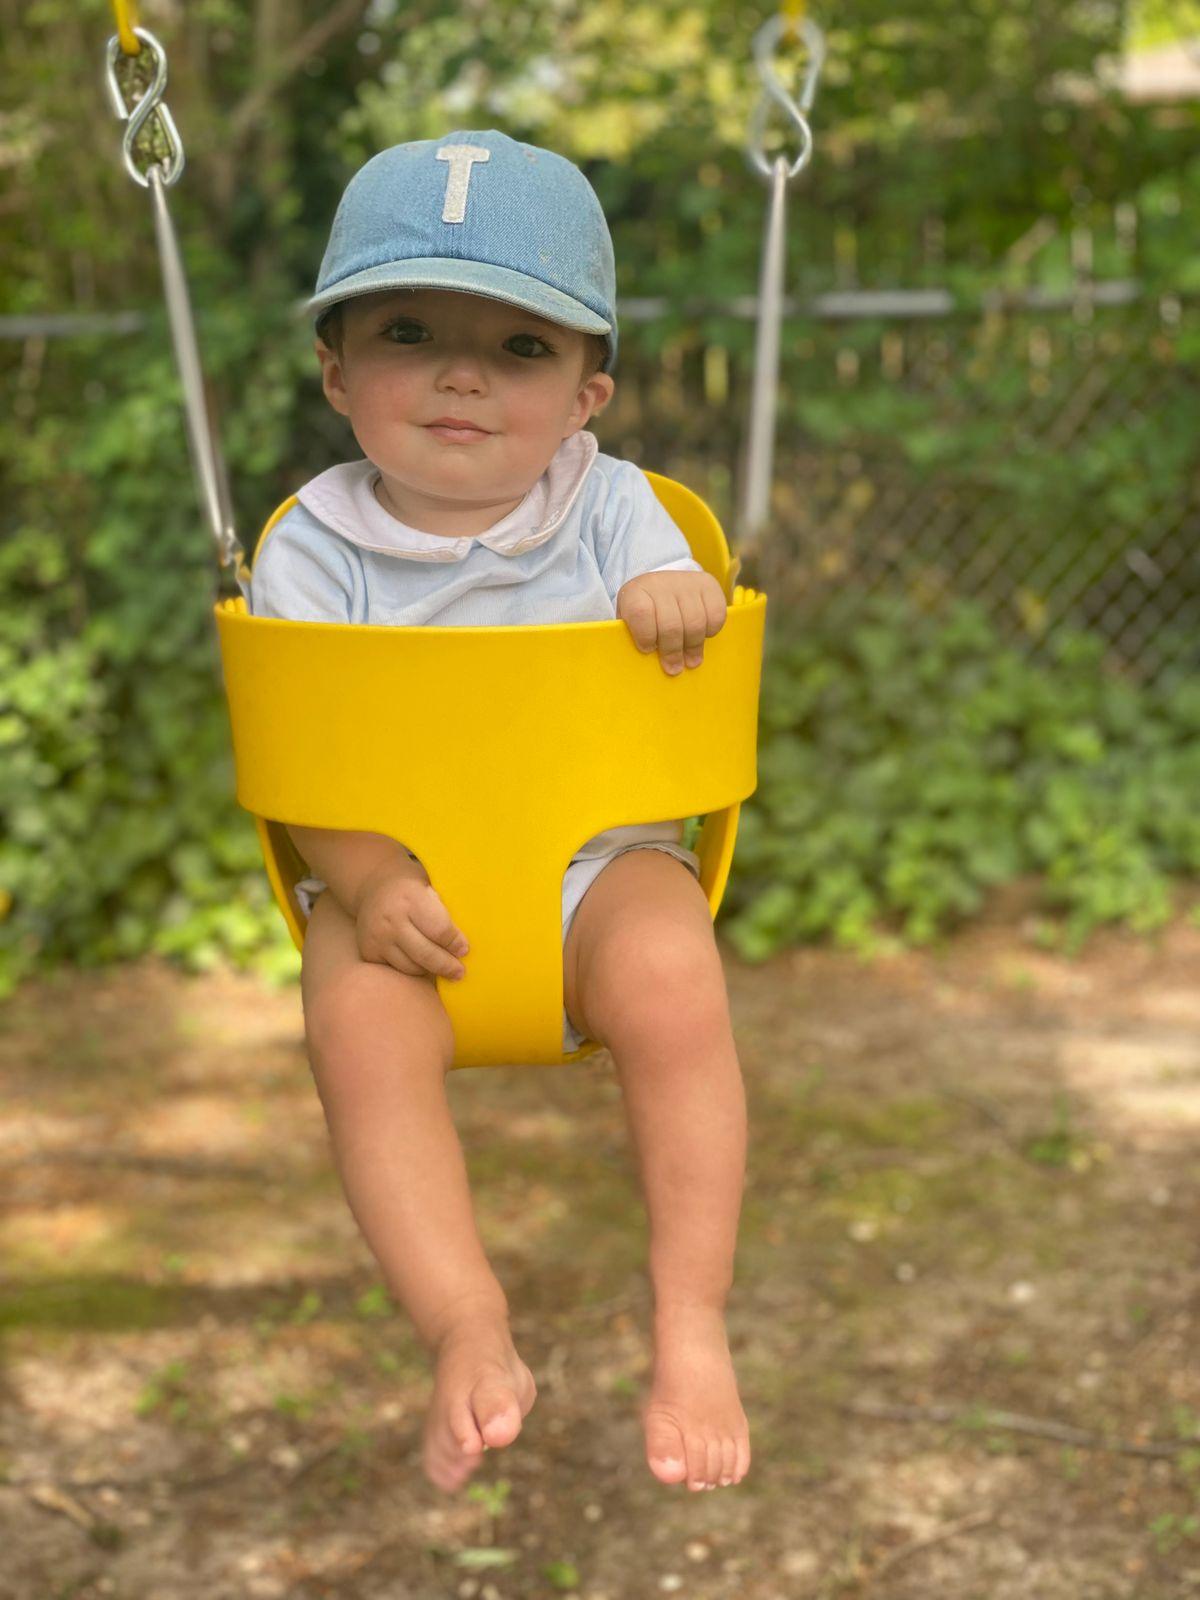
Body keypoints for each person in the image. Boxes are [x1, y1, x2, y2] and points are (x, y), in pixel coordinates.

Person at [250, 129, 750, 1497]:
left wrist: (674, 596)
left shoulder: (617, 507)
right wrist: (362, 883)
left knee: (672, 973)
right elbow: (306, 756)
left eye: (520, 347)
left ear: (586, 393)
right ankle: (466, 1327)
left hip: (598, 869)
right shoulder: (311, 543)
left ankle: (692, 1324)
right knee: (355, 1022)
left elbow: (680, 585)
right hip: (396, 883)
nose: (464, 373)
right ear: (338, 371)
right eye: (412, 330)